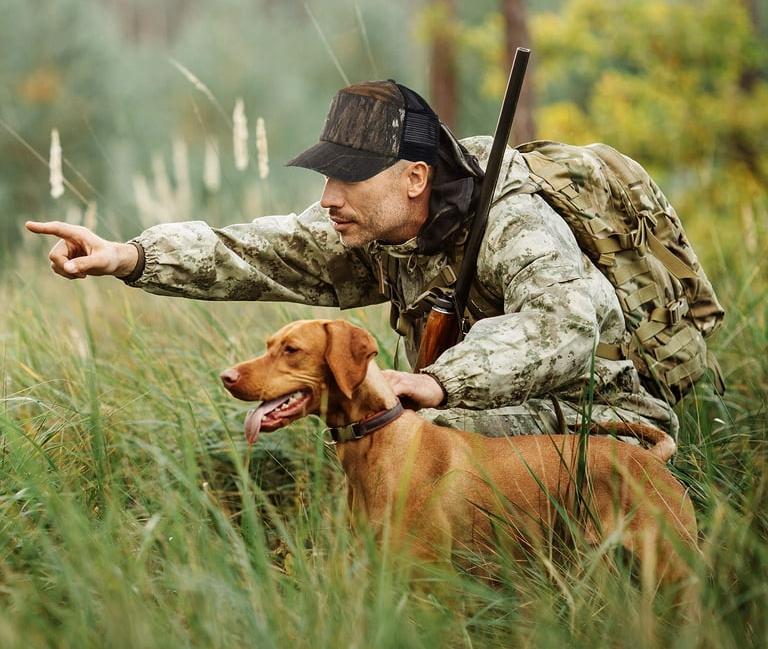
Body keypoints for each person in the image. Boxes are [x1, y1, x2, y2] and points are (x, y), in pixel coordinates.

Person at [26, 79, 678, 439]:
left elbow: (568, 323)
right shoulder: (367, 227)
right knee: (397, 428)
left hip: (604, 417)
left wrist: (438, 384)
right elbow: (251, 251)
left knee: (426, 431)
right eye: (326, 176)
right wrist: (130, 255)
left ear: (415, 178)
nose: (328, 198)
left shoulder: (511, 220)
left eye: (349, 179)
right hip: (483, 408)